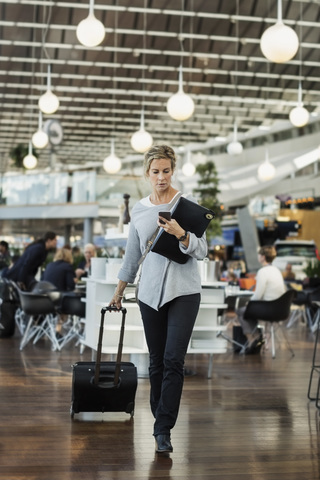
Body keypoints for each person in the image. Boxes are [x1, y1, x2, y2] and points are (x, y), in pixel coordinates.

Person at [108, 145, 207, 454]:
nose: (161, 177)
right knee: (155, 361)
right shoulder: (138, 210)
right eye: (155, 172)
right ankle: (159, 414)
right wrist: (119, 291)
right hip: (149, 293)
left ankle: (163, 427)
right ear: (146, 173)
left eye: (166, 171)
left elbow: (202, 251)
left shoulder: (188, 206)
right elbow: (132, 256)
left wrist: (181, 234)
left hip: (184, 291)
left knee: (173, 359)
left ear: (172, 170)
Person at [236, 245, 286, 354]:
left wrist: (249, 302)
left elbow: (258, 296)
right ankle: (258, 339)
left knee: (241, 311)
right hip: (281, 310)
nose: (258, 256)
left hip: (268, 309)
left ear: (263, 257)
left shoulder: (263, 272)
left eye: (259, 254)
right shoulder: (276, 270)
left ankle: (252, 340)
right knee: (249, 311)